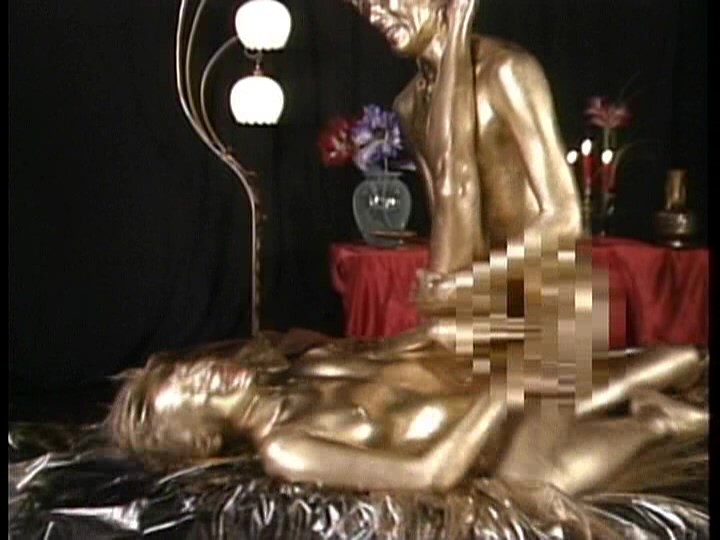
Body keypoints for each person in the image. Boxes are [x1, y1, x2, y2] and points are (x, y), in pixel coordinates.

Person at [109, 333, 707, 494]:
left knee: (684, 357)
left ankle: (644, 404)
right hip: (502, 447)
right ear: (206, 442)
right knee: (539, 481)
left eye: (189, 372)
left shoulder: (314, 366)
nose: (205, 375)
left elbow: (413, 348)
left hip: (512, 390)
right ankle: (656, 420)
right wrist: (499, 398)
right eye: (196, 396)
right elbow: (427, 476)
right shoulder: (286, 447)